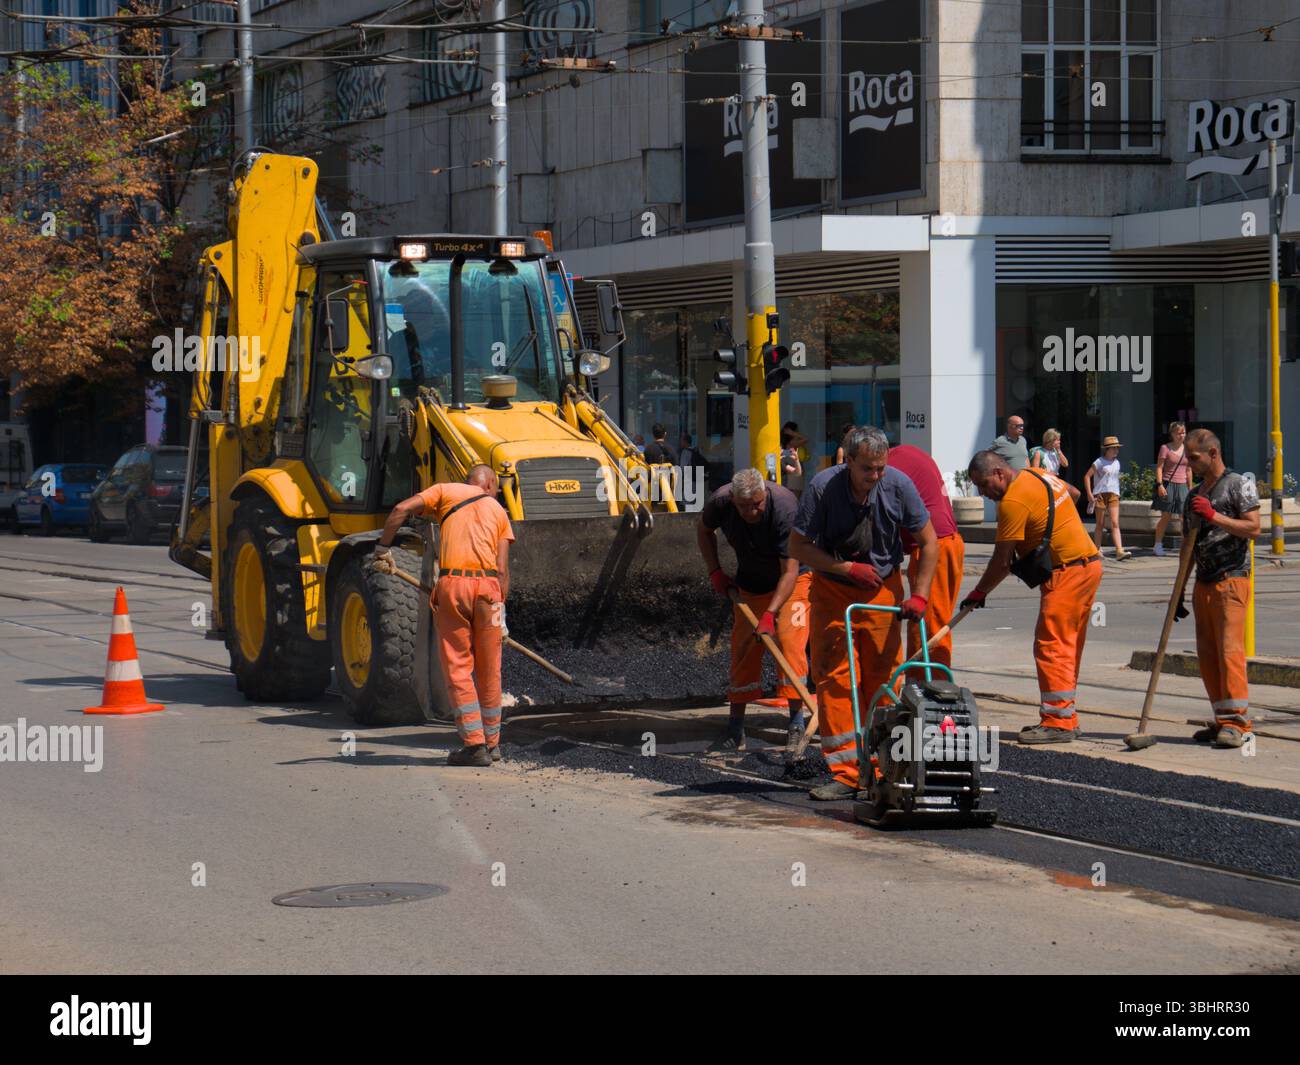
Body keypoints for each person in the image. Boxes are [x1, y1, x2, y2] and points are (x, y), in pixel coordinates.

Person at [789, 426, 938, 800]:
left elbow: (929, 542)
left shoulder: (898, 486)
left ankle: (884, 767)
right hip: (834, 590)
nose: (874, 476)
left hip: (882, 589)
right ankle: (845, 771)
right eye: (867, 468)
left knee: (884, 677)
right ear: (848, 460)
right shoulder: (823, 488)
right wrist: (844, 569)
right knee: (836, 679)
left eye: (880, 468)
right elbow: (798, 546)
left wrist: (919, 596)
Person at [373, 465, 514, 767]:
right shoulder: (499, 512)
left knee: (459, 668)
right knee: (490, 670)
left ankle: (474, 745)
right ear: (489, 483)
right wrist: (500, 616)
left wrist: (382, 549)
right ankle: (493, 744)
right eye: (498, 487)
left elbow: (400, 509)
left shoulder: (444, 491)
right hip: (490, 592)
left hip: (455, 588)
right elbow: (502, 570)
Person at [962, 451, 1101, 744]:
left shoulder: (1012, 502)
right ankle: (1066, 716)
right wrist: (1049, 528)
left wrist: (978, 592)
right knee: (1068, 644)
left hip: (1066, 572)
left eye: (984, 484)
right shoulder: (1037, 474)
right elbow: (1073, 493)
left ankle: (1058, 722)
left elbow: (1001, 563)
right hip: (1089, 564)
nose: (984, 493)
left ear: (999, 473)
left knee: (1051, 644)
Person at [697, 468, 813, 752]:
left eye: (757, 504)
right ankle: (735, 729)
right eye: (744, 506)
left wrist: (770, 614)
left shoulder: (785, 509)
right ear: (733, 500)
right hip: (751, 581)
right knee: (744, 648)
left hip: (794, 580)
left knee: (789, 642)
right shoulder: (720, 502)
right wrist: (715, 571)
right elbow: (703, 530)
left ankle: (796, 723)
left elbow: (789, 571)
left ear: (765, 495)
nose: (751, 511)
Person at [1181, 429, 1260, 748]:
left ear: (1213, 453)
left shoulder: (1239, 484)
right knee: (1209, 654)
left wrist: (1213, 515)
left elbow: (1254, 528)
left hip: (1232, 578)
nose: (1189, 463)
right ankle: (1220, 719)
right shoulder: (1193, 495)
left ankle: (1237, 723)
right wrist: (1179, 593)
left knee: (1230, 652)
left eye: (1194, 457)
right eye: (1187, 457)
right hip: (1204, 581)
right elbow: (1188, 545)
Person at [887, 444, 964, 675]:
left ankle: (933, 687)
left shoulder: (890, 466)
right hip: (944, 542)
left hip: (936, 544)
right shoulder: (907, 455)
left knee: (930, 623)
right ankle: (921, 681)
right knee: (924, 621)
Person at [1084, 436, 1130, 561]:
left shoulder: (1117, 462)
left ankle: (1119, 550)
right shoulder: (1099, 461)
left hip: (1113, 494)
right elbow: (1087, 476)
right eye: (1113, 448)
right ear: (1107, 449)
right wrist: (1089, 493)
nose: (1116, 451)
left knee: (1115, 523)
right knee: (1100, 523)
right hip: (1100, 494)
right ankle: (1097, 549)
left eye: (1117, 448)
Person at [1152, 421, 1190, 556]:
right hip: (1169, 484)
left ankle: (1186, 546)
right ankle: (1157, 544)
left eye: (1183, 432)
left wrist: (1190, 489)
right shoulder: (1165, 448)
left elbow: (1189, 470)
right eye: (1178, 433)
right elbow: (1159, 467)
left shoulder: (1187, 449)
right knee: (1166, 516)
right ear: (1172, 434)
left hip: (1183, 485)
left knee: (1184, 518)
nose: (1181, 435)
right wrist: (1160, 485)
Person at [780, 427, 805, 494]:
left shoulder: (793, 456)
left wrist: (796, 460)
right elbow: (797, 473)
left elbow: (798, 474)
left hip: (794, 492)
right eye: (796, 438)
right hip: (789, 493)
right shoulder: (783, 459)